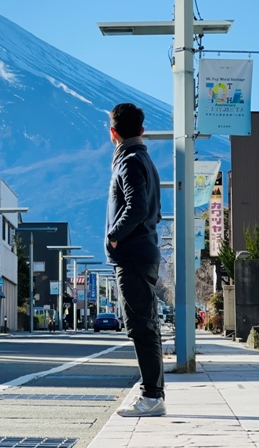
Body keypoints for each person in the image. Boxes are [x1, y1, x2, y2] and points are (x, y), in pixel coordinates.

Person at [104, 103, 166, 417]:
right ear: (142, 130)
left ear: (112, 132)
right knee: (146, 325)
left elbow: (138, 207)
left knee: (140, 327)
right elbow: (152, 210)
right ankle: (153, 395)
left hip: (133, 255)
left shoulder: (128, 161)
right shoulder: (144, 159)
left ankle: (151, 397)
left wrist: (114, 235)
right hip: (144, 252)